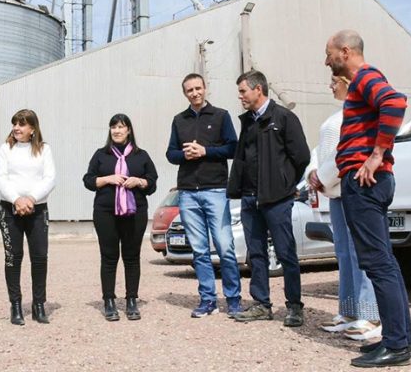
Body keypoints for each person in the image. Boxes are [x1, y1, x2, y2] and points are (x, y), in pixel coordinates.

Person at [324, 30, 411, 368]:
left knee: (378, 264)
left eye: (329, 53)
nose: (326, 61)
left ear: (345, 52)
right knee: (384, 263)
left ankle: (397, 345)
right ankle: (398, 339)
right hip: (365, 183)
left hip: (365, 183)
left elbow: (395, 102)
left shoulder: (364, 76)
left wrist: (376, 155)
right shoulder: (362, 82)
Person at [227, 70, 310, 327]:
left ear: (258, 89)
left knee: (285, 253)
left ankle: (294, 306)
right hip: (250, 199)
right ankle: (261, 304)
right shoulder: (248, 121)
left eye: (243, 91)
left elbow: (302, 157)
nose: (240, 96)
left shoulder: (284, 118)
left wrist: (286, 184)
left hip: (277, 199)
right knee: (256, 253)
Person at [306, 75, 381, 340]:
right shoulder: (338, 114)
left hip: (351, 189)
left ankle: (370, 315)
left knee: (360, 253)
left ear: (347, 82)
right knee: (344, 253)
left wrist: (322, 177)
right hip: (335, 193)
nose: (330, 86)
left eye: (334, 81)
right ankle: (349, 312)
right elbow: (320, 150)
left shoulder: (357, 114)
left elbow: (345, 153)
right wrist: (312, 171)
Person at [166, 74, 241, 318]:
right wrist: (184, 155)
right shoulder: (179, 120)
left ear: (205, 88)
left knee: (225, 246)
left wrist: (205, 151)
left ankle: (233, 299)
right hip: (188, 192)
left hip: (215, 190)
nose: (195, 93)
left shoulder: (221, 116)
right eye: (190, 90)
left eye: (198, 88)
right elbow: (170, 153)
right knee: (199, 250)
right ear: (184, 93)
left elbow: (233, 148)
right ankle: (208, 300)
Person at [83, 114, 158, 321]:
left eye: (121, 127)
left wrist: (139, 181)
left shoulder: (141, 155)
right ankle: (109, 301)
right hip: (105, 212)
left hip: (135, 213)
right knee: (109, 256)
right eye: (113, 127)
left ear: (129, 130)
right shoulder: (101, 154)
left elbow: (152, 182)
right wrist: (107, 179)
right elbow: (88, 180)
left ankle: (132, 300)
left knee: (132, 256)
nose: (116, 131)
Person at [0, 109, 56, 325]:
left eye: (21, 124)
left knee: (39, 257)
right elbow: (0, 178)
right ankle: (16, 305)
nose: (16, 128)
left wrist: (31, 198)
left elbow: (50, 178)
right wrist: (16, 199)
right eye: (14, 124)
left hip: (37, 210)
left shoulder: (44, 150)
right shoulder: (6, 149)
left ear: (32, 128)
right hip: (10, 210)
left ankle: (39, 305)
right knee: (13, 257)